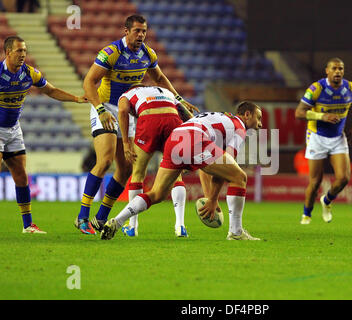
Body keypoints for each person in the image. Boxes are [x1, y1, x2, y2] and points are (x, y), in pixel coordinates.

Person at [75, 14, 198, 235]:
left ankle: (101, 217)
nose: (141, 34)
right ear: (126, 31)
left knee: (126, 168)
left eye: (144, 31)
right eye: (137, 31)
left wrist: (178, 99)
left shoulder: (147, 54)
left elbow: (160, 79)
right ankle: (83, 216)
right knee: (104, 160)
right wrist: (101, 110)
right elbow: (88, 81)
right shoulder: (111, 53)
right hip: (105, 106)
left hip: (129, 110)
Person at [100, 102, 263, 241]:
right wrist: (212, 199)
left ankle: (117, 221)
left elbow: (214, 168)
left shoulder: (220, 118)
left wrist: (211, 197)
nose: (260, 124)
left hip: (175, 138)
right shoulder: (239, 127)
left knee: (157, 194)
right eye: (259, 118)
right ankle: (236, 232)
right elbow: (227, 168)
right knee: (239, 177)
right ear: (247, 114)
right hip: (194, 137)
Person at [0, 36, 87, 233]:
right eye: (19, 51)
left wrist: (76, 98)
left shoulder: (29, 73)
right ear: (7, 52)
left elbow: (51, 90)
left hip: (13, 129)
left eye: (24, 51)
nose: (23, 54)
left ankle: (28, 225)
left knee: (21, 176)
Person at [117, 84, 193, 237]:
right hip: (173, 121)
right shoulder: (166, 91)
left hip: (149, 120)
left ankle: (133, 227)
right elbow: (186, 114)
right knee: (176, 174)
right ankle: (180, 226)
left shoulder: (127, 94)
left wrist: (125, 143)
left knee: (138, 173)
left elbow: (123, 110)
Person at [295, 57, 352, 224]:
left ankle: (326, 201)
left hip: (337, 138)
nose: (338, 72)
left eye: (341, 69)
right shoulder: (316, 89)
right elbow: (299, 113)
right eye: (334, 68)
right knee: (315, 182)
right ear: (327, 71)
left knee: (344, 178)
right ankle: (307, 214)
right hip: (317, 137)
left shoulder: (351, 88)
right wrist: (322, 116)